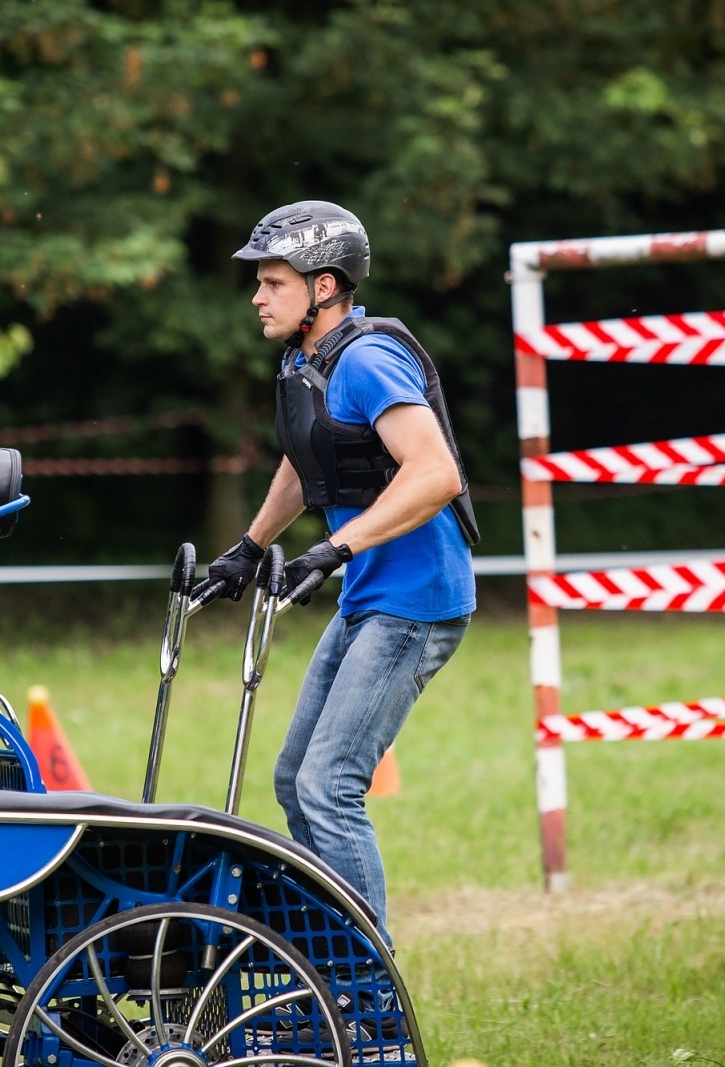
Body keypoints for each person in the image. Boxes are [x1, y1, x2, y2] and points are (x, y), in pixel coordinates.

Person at [200, 200, 479, 943]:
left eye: (273, 281)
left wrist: (337, 546)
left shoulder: (368, 359)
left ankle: (366, 987)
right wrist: (252, 546)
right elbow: (308, 458)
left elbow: (435, 473)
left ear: (323, 287)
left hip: (415, 601)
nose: (257, 296)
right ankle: (325, 961)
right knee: (295, 780)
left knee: (330, 786)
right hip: (369, 596)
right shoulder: (307, 361)